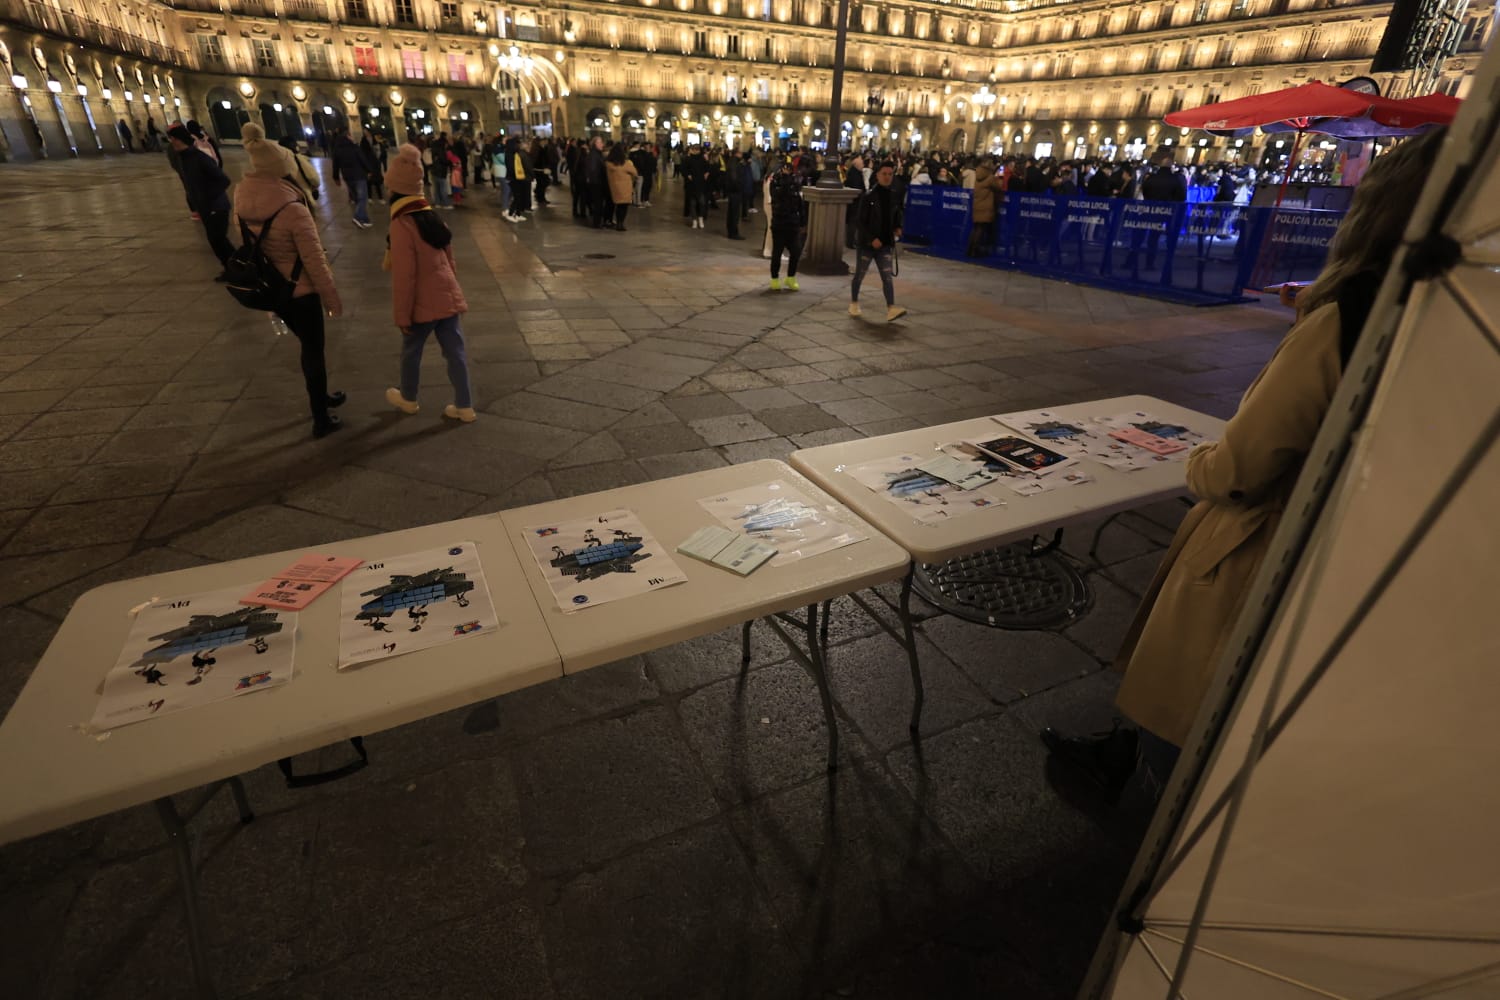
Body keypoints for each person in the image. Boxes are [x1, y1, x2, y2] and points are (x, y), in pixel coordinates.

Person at [1040, 128, 1447, 800]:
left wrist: (1200, 464)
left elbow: (1240, 468)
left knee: (1196, 684)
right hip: (1368, 542)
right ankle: (1128, 751)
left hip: (1274, 539)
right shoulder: (1454, 317)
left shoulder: (1348, 314)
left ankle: (1165, 828)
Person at [234, 125, 346, 438]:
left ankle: (321, 397)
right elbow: (315, 260)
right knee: (313, 350)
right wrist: (332, 300)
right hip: (301, 290)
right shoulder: (293, 207)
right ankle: (320, 418)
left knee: (306, 347)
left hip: (271, 288)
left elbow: (243, 240)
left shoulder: (241, 196)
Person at [381, 143, 477, 423]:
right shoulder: (433, 218)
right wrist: (449, 291)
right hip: (446, 299)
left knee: (411, 352)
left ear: (395, 189)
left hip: (422, 304)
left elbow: (404, 276)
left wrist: (402, 315)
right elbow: (451, 263)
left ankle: (409, 399)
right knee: (455, 353)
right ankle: (465, 406)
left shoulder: (402, 225)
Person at [166, 123, 235, 279]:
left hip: (216, 206)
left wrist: (207, 197)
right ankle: (234, 267)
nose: (171, 142)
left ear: (179, 140)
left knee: (218, 240)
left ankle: (236, 267)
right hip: (205, 207)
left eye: (173, 139)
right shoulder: (182, 159)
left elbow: (223, 180)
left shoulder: (199, 157)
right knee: (217, 241)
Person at [849, 160, 906, 322]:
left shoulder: (894, 196)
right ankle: (854, 302)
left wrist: (897, 227)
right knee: (860, 274)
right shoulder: (869, 196)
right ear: (878, 175)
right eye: (884, 174)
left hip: (885, 244)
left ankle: (891, 308)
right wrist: (871, 238)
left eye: (890, 174)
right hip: (868, 244)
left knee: (887, 276)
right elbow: (860, 221)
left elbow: (896, 215)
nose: (887, 177)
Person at [767, 158, 806, 291]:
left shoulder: (794, 183)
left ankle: (791, 277)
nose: (787, 172)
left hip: (792, 223)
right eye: (785, 169)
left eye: (789, 169)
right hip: (779, 223)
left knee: (796, 251)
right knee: (777, 253)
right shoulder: (776, 182)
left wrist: (802, 221)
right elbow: (778, 197)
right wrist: (785, 179)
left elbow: (799, 202)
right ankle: (774, 278)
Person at [331, 129, 375, 228]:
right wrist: (369, 170)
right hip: (359, 175)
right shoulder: (354, 147)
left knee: (357, 198)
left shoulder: (337, 150)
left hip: (347, 177)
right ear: (347, 136)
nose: (352, 137)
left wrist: (336, 178)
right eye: (350, 135)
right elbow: (362, 160)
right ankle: (358, 216)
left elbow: (335, 166)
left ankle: (364, 219)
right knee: (362, 198)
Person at [967, 159, 1005, 258]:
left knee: (976, 228)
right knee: (981, 229)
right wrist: (1000, 178)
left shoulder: (977, 175)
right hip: (986, 206)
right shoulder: (990, 177)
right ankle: (975, 250)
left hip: (977, 205)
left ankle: (970, 249)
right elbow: (998, 187)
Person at [604, 142, 638, 231]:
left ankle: (609, 220)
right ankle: (620, 223)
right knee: (623, 207)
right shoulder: (625, 163)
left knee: (614, 205)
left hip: (613, 187)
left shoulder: (608, 163)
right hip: (625, 188)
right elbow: (635, 172)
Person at [843, 152, 867, 249]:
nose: (862, 162)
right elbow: (856, 187)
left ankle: (853, 240)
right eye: (861, 160)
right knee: (853, 221)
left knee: (854, 221)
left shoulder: (856, 172)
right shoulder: (854, 173)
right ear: (855, 161)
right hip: (855, 201)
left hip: (856, 201)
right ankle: (850, 241)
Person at [505, 136, 532, 222]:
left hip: (518, 177)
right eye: (517, 144)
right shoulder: (509, 154)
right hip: (513, 178)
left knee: (520, 196)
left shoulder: (515, 153)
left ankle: (518, 214)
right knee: (517, 197)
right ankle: (510, 213)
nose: (518, 145)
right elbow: (511, 168)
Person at [683, 144, 710, 229]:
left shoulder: (702, 159)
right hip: (691, 184)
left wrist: (707, 173)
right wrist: (688, 175)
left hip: (700, 184)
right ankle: (694, 220)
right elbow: (683, 169)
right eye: (694, 149)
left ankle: (700, 218)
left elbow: (708, 168)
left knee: (702, 202)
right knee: (692, 203)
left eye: (696, 149)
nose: (695, 151)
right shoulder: (688, 159)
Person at [724, 152, 747, 240]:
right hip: (735, 191)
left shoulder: (732, 162)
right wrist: (739, 186)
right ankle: (733, 232)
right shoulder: (735, 163)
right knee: (734, 212)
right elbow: (734, 177)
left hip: (733, 190)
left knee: (732, 212)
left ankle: (732, 231)